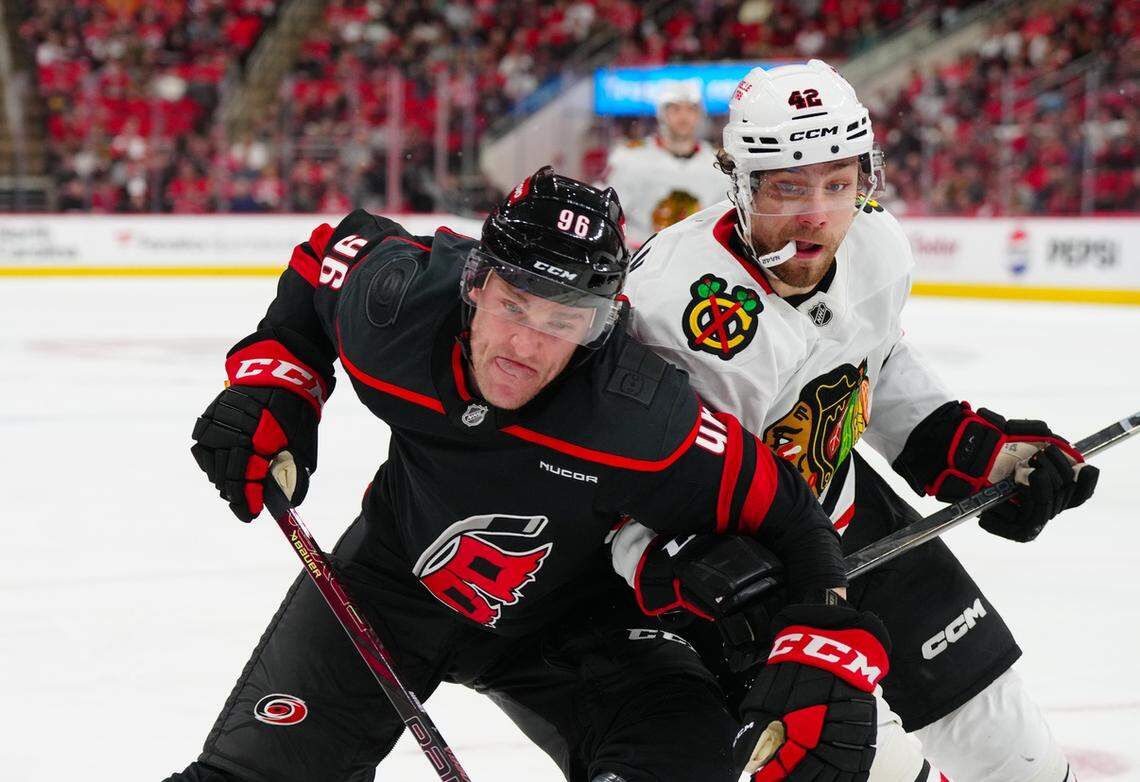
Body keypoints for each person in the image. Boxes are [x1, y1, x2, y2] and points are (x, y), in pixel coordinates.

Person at [164, 167, 905, 782]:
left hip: (574, 626)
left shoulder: (641, 413)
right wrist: (276, 381)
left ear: (603, 323)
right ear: (475, 282)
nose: (524, 344)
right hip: (389, 585)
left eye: (563, 320)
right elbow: (322, 257)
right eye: (515, 302)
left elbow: (792, 516)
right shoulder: (397, 304)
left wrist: (825, 644)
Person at [616, 60, 1098, 782]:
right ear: (740, 183)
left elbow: (875, 361)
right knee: (870, 765)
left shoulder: (877, 243)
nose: (818, 214)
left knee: (1010, 747)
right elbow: (625, 498)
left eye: (838, 184)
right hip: (752, 587)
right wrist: (691, 574)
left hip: (854, 518)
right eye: (788, 186)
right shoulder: (669, 310)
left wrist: (972, 452)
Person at [599, 81, 726, 247]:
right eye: (675, 109)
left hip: (697, 259)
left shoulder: (718, 163)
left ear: (699, 114)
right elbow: (606, 211)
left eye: (691, 109)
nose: (683, 116)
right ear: (662, 113)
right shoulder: (629, 157)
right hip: (639, 260)